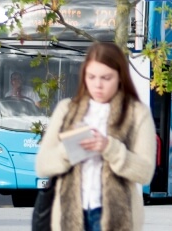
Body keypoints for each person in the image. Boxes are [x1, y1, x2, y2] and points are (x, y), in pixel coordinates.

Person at [34, 42, 156, 231]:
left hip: (115, 218)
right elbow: (42, 166)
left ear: (120, 77)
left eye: (106, 78)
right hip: (70, 214)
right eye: (91, 77)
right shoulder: (67, 110)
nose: (97, 84)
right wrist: (69, 149)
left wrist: (109, 148)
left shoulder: (137, 113)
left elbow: (145, 173)